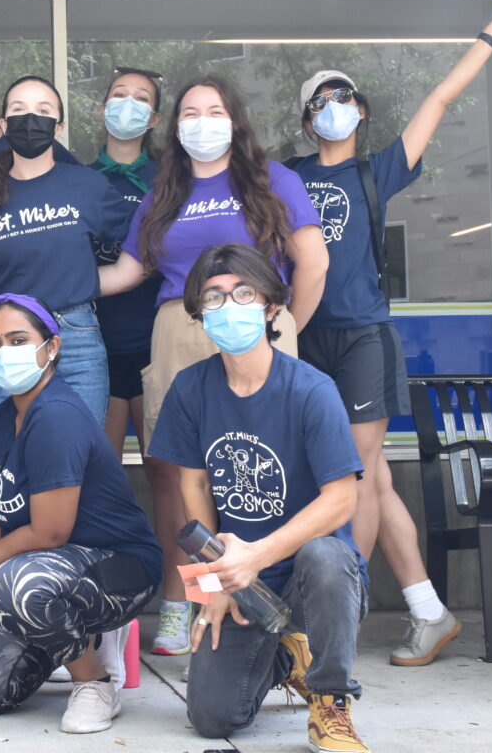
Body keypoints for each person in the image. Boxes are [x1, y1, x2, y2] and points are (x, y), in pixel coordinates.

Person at [289, 0, 492, 668]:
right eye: (320, 101)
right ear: (308, 120)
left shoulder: (376, 170)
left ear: (360, 110)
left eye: (343, 97)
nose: (333, 107)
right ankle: (428, 612)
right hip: (304, 339)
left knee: (358, 476)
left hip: (363, 336)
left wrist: (491, 35)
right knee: (372, 482)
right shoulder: (289, 177)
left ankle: (334, 613)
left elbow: (439, 102)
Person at [101, 75, 328, 657]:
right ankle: (188, 602)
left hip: (258, 330)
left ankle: (277, 600)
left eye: (215, 110)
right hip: (179, 330)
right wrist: (42, 282)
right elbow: (128, 271)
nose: (203, 121)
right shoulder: (164, 191)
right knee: (179, 473)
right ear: (175, 128)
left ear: (235, 120)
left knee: (265, 466)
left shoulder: (272, 180)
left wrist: (284, 326)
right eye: (191, 113)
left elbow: (314, 263)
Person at [147, 244, 368, 753]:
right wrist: (214, 582)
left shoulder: (312, 390)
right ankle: (286, 658)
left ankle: (331, 701)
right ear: (200, 315)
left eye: (244, 293)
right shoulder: (190, 388)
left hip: (312, 574)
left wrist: (254, 557)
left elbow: (341, 500)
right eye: (214, 297)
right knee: (212, 717)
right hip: (238, 576)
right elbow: (194, 487)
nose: (229, 306)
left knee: (327, 554)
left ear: (271, 307)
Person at [0, 294, 160, 734]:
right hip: (48, 571)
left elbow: (50, 532)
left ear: (53, 347)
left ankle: (93, 682)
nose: (4, 353)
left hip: (119, 567)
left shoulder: (55, 416)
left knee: (17, 581)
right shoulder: (2, 418)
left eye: (19, 340)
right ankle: (72, 637)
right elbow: (3, 510)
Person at [0, 74, 133, 425]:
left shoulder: (87, 185)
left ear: (59, 125)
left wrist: (88, 281)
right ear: (4, 124)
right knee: (4, 466)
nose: (31, 118)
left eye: (43, 109)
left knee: (77, 459)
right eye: (19, 110)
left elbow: (145, 246)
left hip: (75, 338)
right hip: (3, 339)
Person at [89, 68, 165, 456]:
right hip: (95, 343)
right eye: (119, 95)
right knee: (101, 467)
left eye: (140, 98)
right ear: (104, 109)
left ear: (153, 119)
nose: (127, 104)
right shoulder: (78, 179)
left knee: (166, 469)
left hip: (155, 340)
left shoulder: (169, 180)